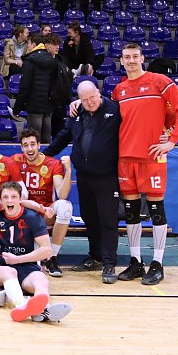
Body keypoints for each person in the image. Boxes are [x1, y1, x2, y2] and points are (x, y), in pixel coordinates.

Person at [111, 44, 178, 284]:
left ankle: (157, 263)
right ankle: (136, 261)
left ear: (142, 58)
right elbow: (107, 115)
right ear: (121, 61)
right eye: (127, 57)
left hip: (153, 157)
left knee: (156, 210)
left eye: (135, 56)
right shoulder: (119, 90)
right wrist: (78, 104)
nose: (131, 60)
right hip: (126, 157)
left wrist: (172, 140)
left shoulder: (159, 81)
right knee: (131, 211)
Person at [44, 80, 122, 283]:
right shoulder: (77, 112)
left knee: (108, 220)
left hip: (107, 176)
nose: (89, 102)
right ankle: (95, 257)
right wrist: (45, 156)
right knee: (90, 217)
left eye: (92, 97)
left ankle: (109, 264)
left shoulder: (115, 110)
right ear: (78, 99)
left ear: (99, 92)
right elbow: (64, 136)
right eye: (84, 99)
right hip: (84, 176)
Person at [0, 182, 72, 322]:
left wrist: (17, 259)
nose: (9, 200)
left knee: (41, 280)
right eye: (5, 197)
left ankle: (43, 309)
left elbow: (46, 249)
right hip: (3, 263)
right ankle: (21, 305)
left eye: (13, 197)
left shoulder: (32, 217)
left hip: (26, 264)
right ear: (0, 200)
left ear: (20, 199)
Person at [12, 129, 73, 277]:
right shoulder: (15, 160)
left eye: (32, 144)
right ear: (21, 148)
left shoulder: (52, 164)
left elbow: (62, 195)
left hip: (45, 212)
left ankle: (52, 257)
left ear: (39, 145)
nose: (29, 148)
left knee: (65, 207)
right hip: (23, 213)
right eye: (25, 145)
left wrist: (68, 171)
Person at [12, 33, 56, 143]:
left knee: (33, 141)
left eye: (29, 44)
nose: (28, 46)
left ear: (34, 45)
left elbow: (25, 87)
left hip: (34, 106)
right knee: (46, 141)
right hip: (48, 106)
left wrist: (17, 109)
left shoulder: (29, 61)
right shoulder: (52, 60)